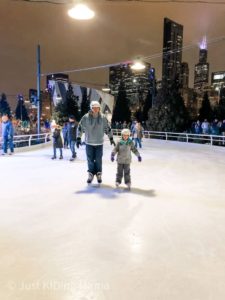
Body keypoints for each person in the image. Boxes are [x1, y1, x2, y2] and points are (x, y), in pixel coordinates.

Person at [76, 100, 115, 184]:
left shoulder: (103, 117)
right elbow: (80, 127)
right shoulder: (86, 117)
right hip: (89, 143)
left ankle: (98, 174)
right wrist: (78, 138)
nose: (96, 109)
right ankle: (90, 174)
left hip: (99, 143)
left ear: (99, 108)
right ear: (91, 108)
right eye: (94, 108)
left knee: (98, 160)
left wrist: (111, 138)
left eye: (97, 108)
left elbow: (107, 128)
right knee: (90, 160)